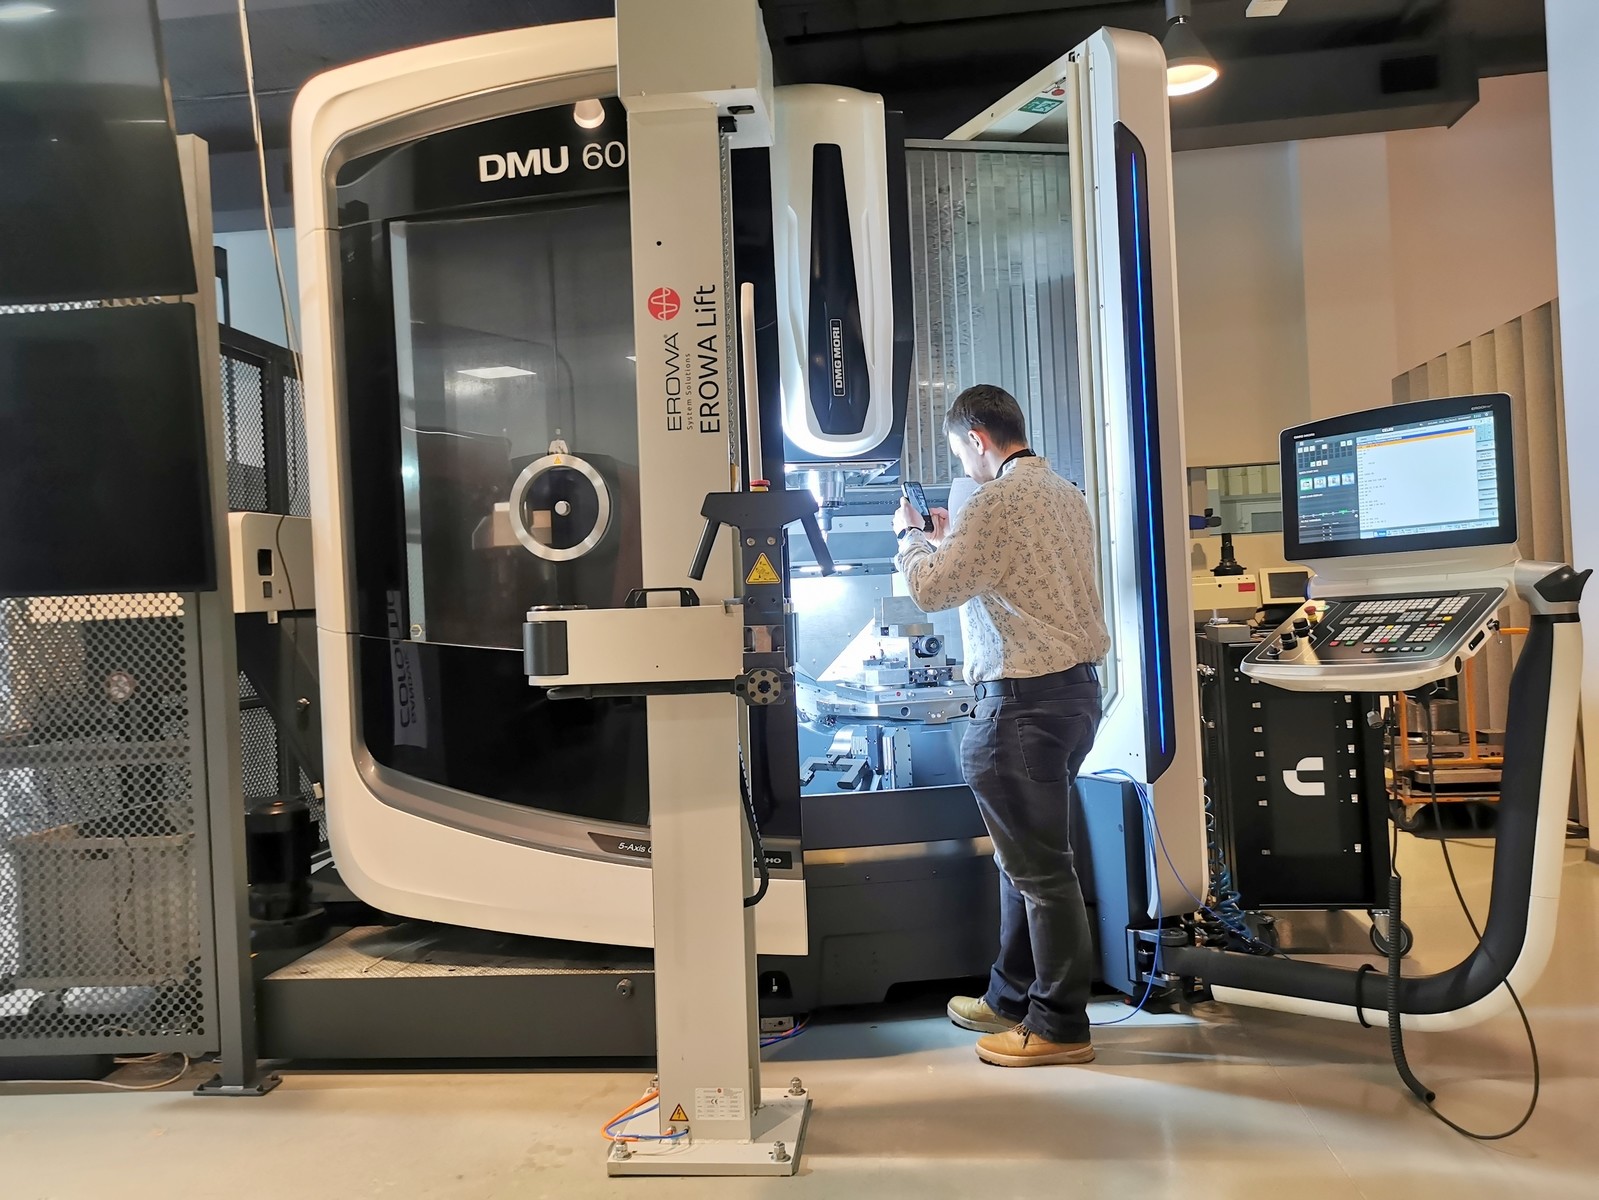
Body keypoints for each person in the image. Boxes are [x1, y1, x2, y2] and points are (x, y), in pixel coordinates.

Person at [892, 383, 1111, 1068]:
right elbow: (1013, 576)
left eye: (960, 452)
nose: (963, 464)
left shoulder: (993, 501)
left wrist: (908, 538)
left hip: (1021, 706)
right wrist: (947, 541)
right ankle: (1011, 997)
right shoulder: (1064, 494)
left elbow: (930, 591)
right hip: (1072, 697)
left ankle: (1059, 1026)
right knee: (1025, 861)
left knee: (1041, 873)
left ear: (977, 440)